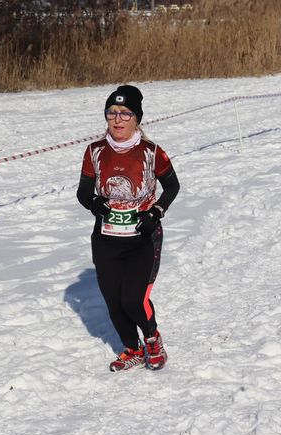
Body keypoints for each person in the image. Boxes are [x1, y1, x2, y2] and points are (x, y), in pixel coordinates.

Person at [76, 85, 180, 372]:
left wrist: (156, 212)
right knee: (113, 301)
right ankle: (132, 349)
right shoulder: (95, 151)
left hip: (142, 237)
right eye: (112, 113)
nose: (117, 119)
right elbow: (83, 192)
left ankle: (152, 339)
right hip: (106, 239)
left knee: (133, 299)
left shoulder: (151, 152)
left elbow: (172, 186)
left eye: (125, 113)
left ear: (137, 118)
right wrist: (93, 203)